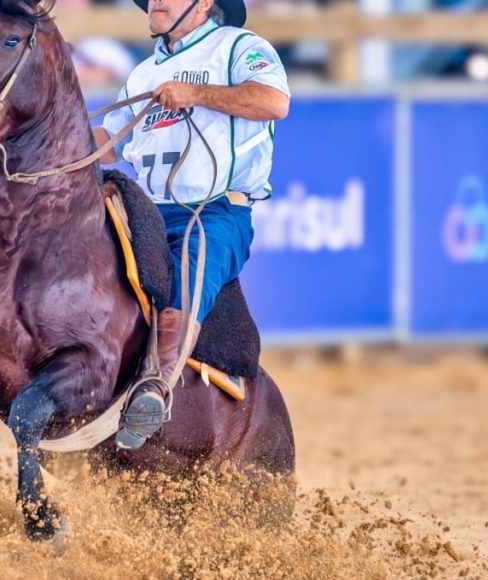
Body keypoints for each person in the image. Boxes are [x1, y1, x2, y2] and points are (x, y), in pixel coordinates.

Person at [92, 0, 289, 450]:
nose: (156, 0)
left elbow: (274, 102)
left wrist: (197, 94)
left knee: (195, 258)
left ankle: (157, 386)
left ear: (204, 4)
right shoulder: (143, 74)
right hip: (144, 207)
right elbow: (108, 142)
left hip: (218, 208)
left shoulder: (239, 47)